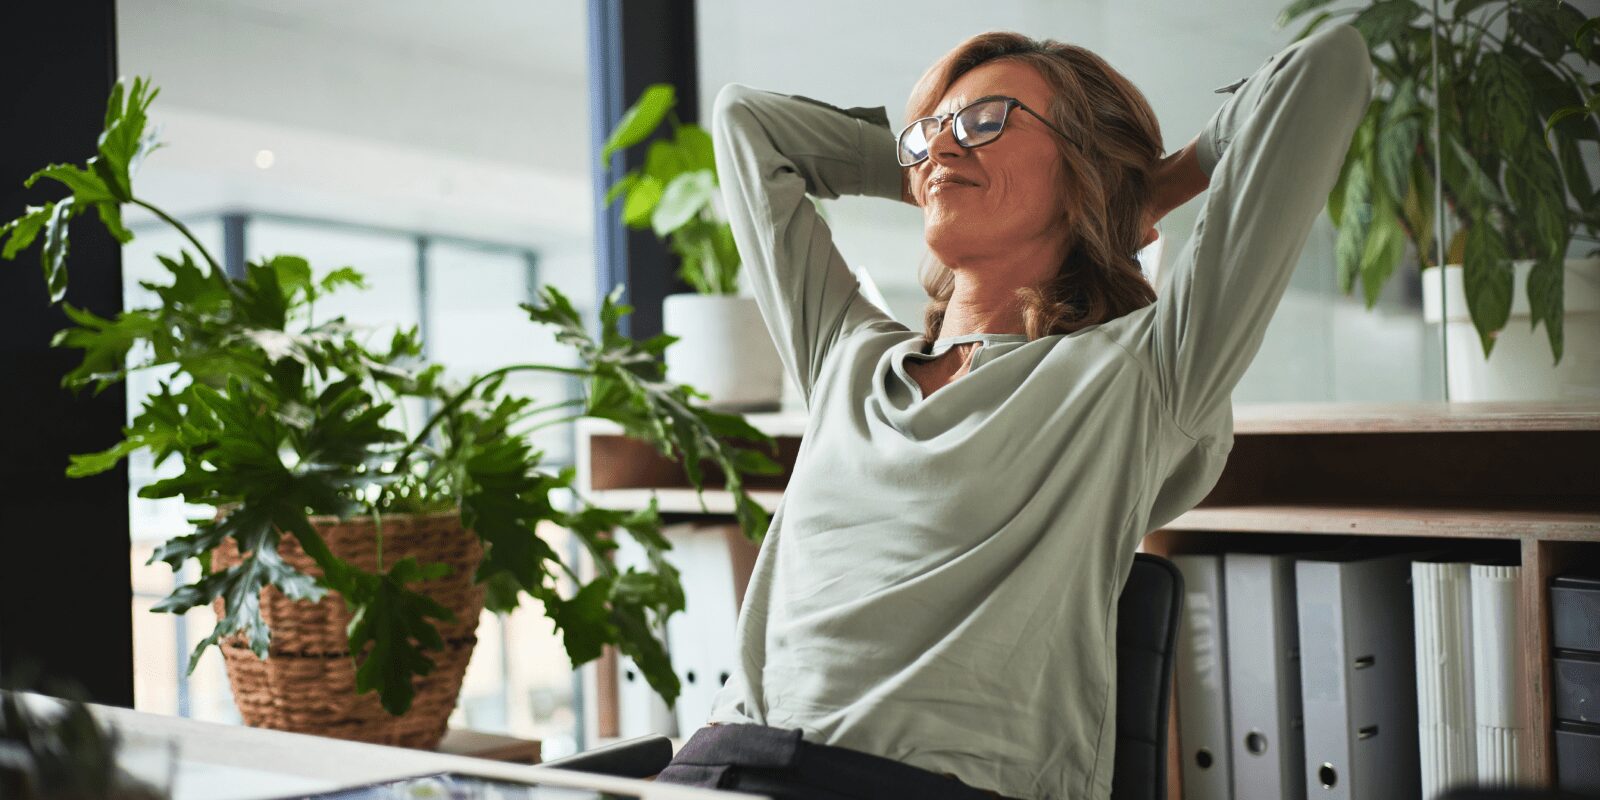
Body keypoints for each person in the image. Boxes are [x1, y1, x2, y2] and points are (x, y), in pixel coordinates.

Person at [653, 23, 1372, 800]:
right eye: (933, 131)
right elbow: (744, 123)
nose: (945, 146)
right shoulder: (848, 356)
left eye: (986, 122)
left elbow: (1327, 70)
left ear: (1080, 168)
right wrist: (933, 170)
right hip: (717, 768)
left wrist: (1143, 188)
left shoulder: (1139, 374)